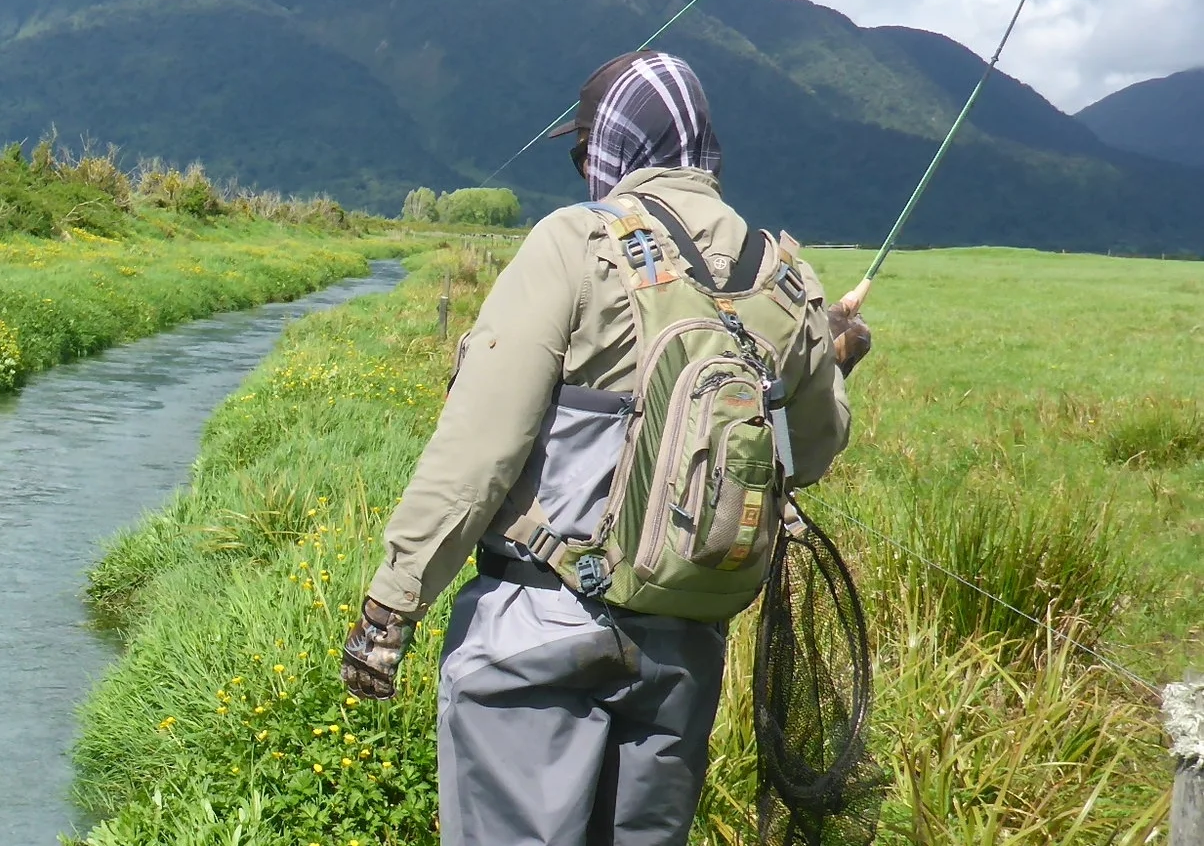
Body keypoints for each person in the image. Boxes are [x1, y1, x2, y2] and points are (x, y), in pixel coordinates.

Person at [338, 50, 871, 846]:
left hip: (537, 636)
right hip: (683, 655)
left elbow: (479, 449)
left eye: (585, 149)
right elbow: (814, 452)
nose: (586, 166)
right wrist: (833, 355)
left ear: (618, 146)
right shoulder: (785, 279)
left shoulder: (574, 243)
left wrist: (391, 606)